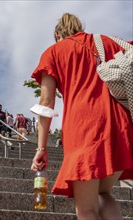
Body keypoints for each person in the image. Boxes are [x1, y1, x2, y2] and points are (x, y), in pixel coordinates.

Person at [30, 13, 133, 220]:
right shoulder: (107, 43)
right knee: (103, 194)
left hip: (85, 128)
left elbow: (46, 102)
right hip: (120, 125)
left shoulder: (54, 52)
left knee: (86, 209)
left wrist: (41, 148)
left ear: (58, 34)